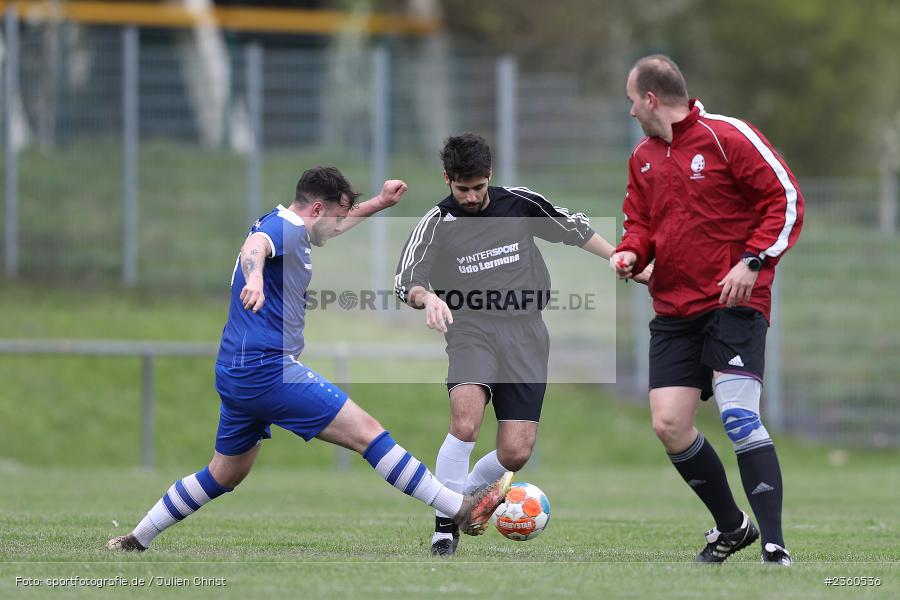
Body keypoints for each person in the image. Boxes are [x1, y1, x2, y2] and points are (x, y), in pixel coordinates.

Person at [107, 167, 512, 553]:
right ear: (317, 209)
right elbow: (255, 247)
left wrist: (378, 203)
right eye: (335, 216)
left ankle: (137, 537)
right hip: (268, 369)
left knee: (224, 473)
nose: (338, 226)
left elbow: (324, 227)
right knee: (368, 434)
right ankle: (459, 508)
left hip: (236, 370)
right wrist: (254, 279)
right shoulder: (282, 228)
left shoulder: (292, 223)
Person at [394, 133, 651, 556]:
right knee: (465, 423)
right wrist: (430, 298)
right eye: (463, 189)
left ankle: (471, 498)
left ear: (490, 176)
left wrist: (617, 258)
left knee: (515, 453)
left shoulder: (519, 203)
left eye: (479, 187)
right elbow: (406, 280)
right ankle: (446, 526)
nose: (473, 196)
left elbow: (574, 229)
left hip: (526, 333)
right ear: (447, 180)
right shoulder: (436, 223)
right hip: (471, 328)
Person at [611, 55, 804, 565]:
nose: (630, 111)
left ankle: (773, 542)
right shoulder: (643, 157)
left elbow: (784, 199)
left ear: (651, 98)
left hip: (732, 302)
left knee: (739, 416)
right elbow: (640, 223)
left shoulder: (727, 136)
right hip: (674, 309)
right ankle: (732, 526)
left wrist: (754, 260)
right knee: (669, 425)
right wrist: (632, 252)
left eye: (632, 100)